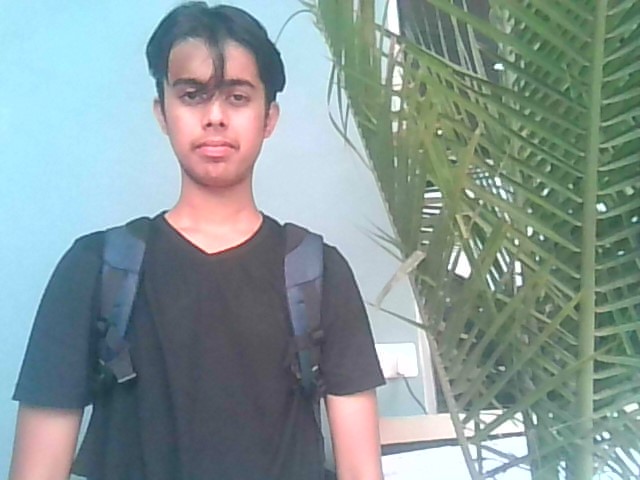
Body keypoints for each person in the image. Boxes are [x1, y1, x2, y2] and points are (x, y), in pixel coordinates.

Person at [9, 3, 385, 479]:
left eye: (237, 97)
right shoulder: (94, 268)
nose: (214, 116)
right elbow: (36, 470)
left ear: (269, 118)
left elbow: (361, 470)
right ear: (162, 113)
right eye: (192, 95)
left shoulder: (319, 272)